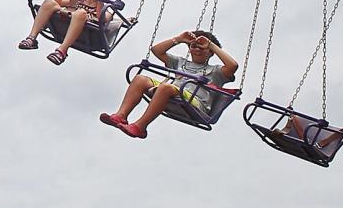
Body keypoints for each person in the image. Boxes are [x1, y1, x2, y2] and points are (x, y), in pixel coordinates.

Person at [100, 30, 239, 139]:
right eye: (194, 46)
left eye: (202, 48)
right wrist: (179, 39)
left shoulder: (215, 71)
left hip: (194, 103)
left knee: (166, 87)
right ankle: (121, 115)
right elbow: (156, 50)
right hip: (174, 93)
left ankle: (140, 126)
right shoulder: (180, 62)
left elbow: (233, 66)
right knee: (140, 79)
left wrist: (211, 45)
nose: (197, 49)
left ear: (211, 53)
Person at [19, 0, 115, 65]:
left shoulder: (106, 11)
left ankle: (62, 51)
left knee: (80, 13)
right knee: (49, 2)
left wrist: (100, 1)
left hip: (88, 33)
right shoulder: (75, 1)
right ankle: (31, 38)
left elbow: (102, 18)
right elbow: (56, 2)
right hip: (63, 23)